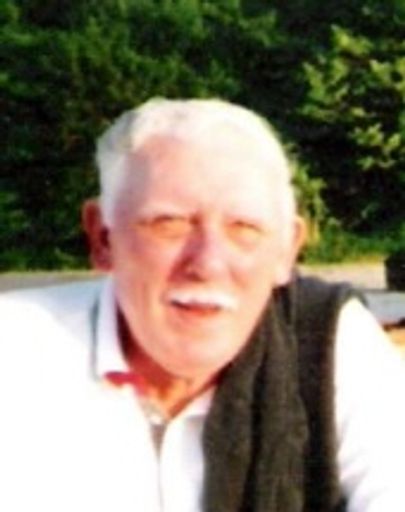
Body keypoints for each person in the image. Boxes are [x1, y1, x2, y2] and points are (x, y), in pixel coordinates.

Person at [1, 98, 405, 512]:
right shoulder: (15, 353)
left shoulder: (327, 344)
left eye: (244, 228)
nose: (209, 262)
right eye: (169, 224)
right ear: (103, 238)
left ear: (287, 250)